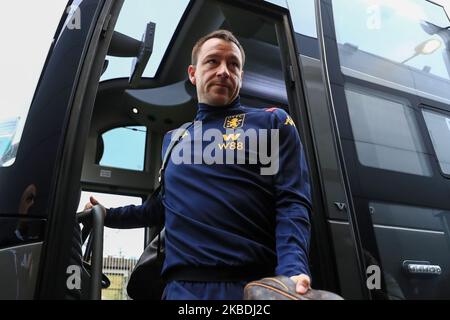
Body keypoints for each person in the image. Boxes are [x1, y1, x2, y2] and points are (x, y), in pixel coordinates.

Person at [85, 29, 313, 300]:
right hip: (180, 291)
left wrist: (292, 270)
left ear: (241, 76)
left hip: (250, 288)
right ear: (193, 74)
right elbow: (160, 208)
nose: (224, 71)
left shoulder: (272, 123)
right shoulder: (174, 139)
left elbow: (291, 203)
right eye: (213, 61)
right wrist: (108, 215)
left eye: (234, 64)